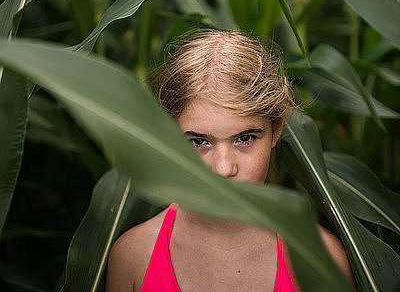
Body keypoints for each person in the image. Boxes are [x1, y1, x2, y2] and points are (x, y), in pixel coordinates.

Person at [106, 30, 353, 291]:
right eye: (198, 141)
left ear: (276, 129)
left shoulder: (323, 260)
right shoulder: (134, 257)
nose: (224, 168)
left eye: (245, 138)